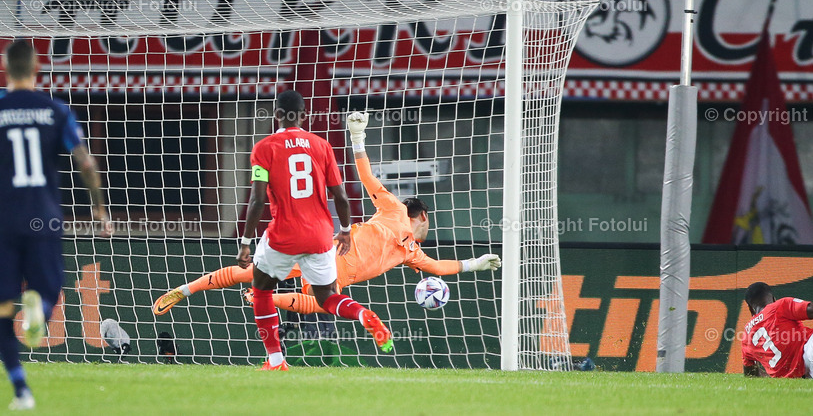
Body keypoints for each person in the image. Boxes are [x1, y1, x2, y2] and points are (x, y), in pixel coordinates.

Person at [153, 110, 501, 318]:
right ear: (421, 215)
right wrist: (358, 136)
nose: (428, 231)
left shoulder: (411, 254)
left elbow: (439, 268)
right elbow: (366, 178)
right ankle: (186, 290)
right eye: (429, 222)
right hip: (326, 252)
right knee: (263, 279)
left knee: (310, 298)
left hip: (329, 264)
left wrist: (474, 264)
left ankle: (261, 298)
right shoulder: (394, 208)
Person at [235, 90, 390, 371]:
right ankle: (362, 313)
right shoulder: (322, 146)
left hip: (283, 234)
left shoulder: (264, 148)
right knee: (327, 298)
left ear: (277, 114)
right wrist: (344, 230)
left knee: (261, 292)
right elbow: (341, 197)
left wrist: (246, 242)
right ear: (304, 115)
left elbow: (257, 199)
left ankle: (276, 360)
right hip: (320, 235)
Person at [0, 39, 111, 410]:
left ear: (6, 69)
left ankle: (21, 390)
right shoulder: (56, 111)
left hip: (4, 218)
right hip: (42, 217)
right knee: (49, 290)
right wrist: (99, 210)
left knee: (1, 307)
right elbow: (87, 164)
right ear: (37, 70)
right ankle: (39, 313)